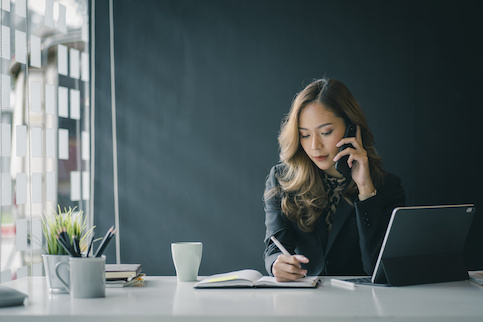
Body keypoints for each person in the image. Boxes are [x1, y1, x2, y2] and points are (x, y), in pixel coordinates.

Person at [263, 78, 406, 282]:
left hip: (362, 303)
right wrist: (277, 264)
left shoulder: (388, 187)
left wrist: (365, 190)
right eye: (304, 135)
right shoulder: (282, 179)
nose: (315, 146)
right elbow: (274, 247)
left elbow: (378, 268)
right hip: (303, 300)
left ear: (351, 128)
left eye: (326, 132)